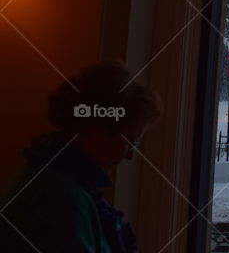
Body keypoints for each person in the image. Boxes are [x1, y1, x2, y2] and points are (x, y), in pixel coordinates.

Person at [1, 61, 162, 253]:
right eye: (129, 141)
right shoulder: (63, 201)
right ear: (95, 129)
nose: (130, 155)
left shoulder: (48, 176)